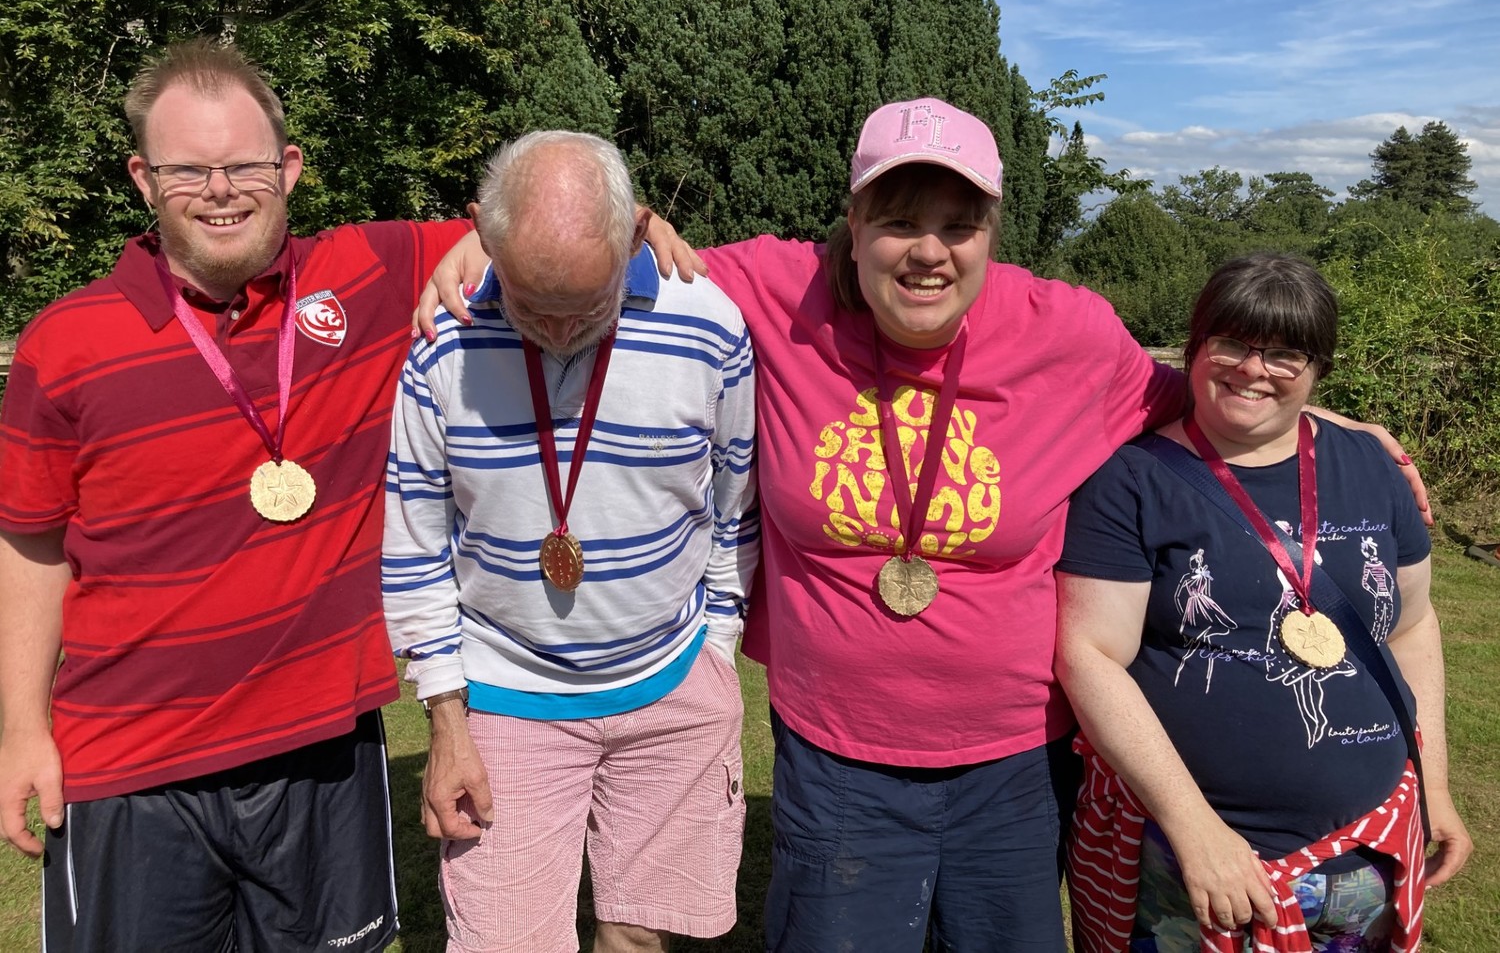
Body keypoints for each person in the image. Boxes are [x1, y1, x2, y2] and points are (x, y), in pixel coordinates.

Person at [419, 99, 1428, 953]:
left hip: (1015, 758)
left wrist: (1332, 421)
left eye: (960, 223)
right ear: (853, 226)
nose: (929, 251)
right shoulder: (777, 292)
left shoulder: (1066, 333)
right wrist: (476, 245)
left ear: (993, 232)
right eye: (899, 220)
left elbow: (1211, 398)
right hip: (835, 753)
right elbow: (581, 248)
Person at [0, 37, 471, 951]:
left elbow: (539, 219)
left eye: (245, 164)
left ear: (288, 167)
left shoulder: (366, 273)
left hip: (323, 749)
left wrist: (635, 217)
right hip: (129, 770)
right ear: (143, 177)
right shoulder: (65, 344)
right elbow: (30, 545)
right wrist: (20, 726)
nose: (221, 188)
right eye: (189, 169)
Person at [381, 130, 758, 953]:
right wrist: (446, 720)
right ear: (483, 234)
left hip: (670, 685)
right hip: (505, 695)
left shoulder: (710, 324)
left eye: (585, 307)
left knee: (638, 938)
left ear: (632, 237)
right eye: (530, 304)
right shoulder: (442, 337)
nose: (556, 331)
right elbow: (414, 541)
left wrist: (718, 650)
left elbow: (734, 507)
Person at [1056, 253, 1471, 952]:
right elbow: (1089, 654)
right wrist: (1196, 829)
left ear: (1317, 370)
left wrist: (1435, 784)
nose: (1254, 369)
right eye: (1232, 343)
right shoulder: (1131, 480)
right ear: (1195, 348)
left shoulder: (1372, 466)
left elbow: (1412, 626)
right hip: (1193, 858)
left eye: (1284, 352)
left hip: (1364, 848)